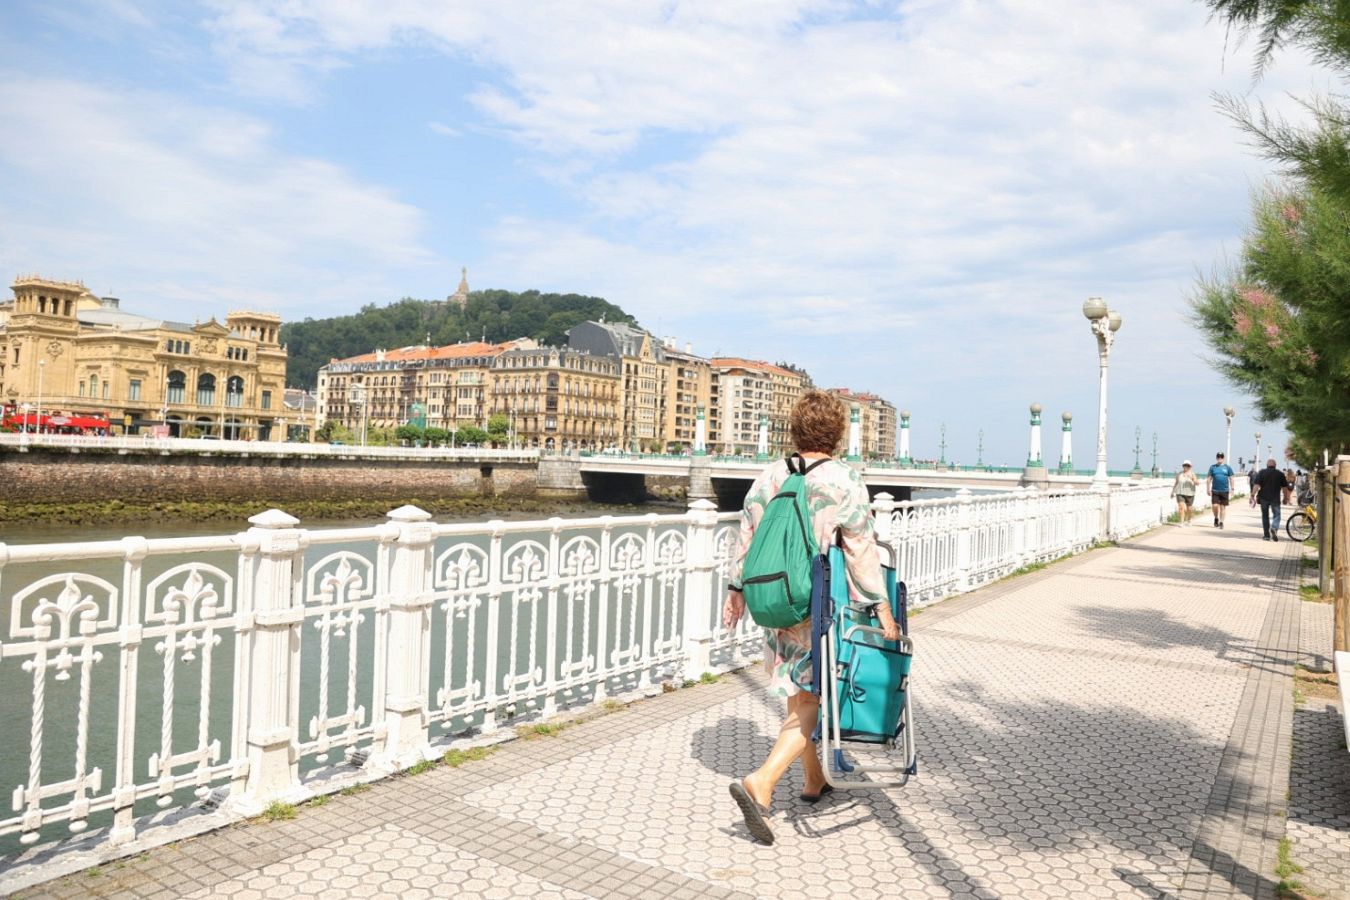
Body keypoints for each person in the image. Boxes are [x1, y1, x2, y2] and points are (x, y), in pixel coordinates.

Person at [722, 390, 900, 845]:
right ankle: (761, 783)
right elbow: (860, 548)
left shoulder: (771, 473)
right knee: (814, 695)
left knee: (799, 692)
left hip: (775, 597)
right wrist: (882, 607)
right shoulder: (843, 479)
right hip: (819, 602)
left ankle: (814, 779)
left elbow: (748, 534)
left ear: (795, 430)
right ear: (837, 433)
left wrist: (735, 590)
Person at [1252, 458, 1290, 541]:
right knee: (1277, 515)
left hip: (1263, 498)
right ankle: (1274, 527)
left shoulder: (1262, 472)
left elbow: (1256, 485)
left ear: (1267, 465)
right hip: (1275, 499)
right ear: (1275, 466)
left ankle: (1266, 535)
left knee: (1265, 516)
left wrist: (1252, 495)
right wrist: (1285, 498)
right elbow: (1284, 487)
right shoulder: (1280, 474)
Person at [1206, 452, 1235, 528]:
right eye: (1218, 457)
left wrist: (1232, 489)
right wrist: (1208, 489)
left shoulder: (1227, 467)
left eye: (1221, 457)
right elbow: (1209, 479)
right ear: (1216, 458)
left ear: (1223, 458)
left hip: (1225, 490)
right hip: (1215, 490)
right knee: (1215, 506)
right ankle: (1216, 518)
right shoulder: (1213, 467)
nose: (1220, 458)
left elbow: (1231, 478)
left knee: (1222, 507)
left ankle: (1221, 522)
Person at [1171, 461, 1199, 525]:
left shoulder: (1192, 474)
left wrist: (1192, 479)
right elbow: (1176, 483)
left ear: (1190, 467)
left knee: (1189, 509)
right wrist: (1172, 492)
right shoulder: (1179, 474)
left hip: (1190, 493)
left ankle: (1189, 520)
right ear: (1183, 466)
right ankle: (1181, 522)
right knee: (1181, 507)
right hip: (1180, 492)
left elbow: (1197, 483)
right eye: (1185, 465)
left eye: (1188, 465)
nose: (1186, 467)